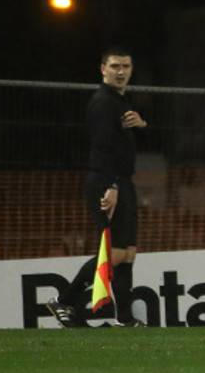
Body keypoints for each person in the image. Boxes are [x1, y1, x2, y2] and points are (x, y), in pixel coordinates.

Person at [47, 47, 148, 328]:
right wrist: (112, 185)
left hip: (122, 181)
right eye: (115, 66)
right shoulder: (103, 102)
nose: (121, 71)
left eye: (126, 66)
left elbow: (120, 144)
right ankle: (64, 300)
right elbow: (101, 149)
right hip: (108, 182)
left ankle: (125, 319)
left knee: (127, 253)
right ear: (102, 68)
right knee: (114, 253)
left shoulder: (119, 101)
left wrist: (141, 124)